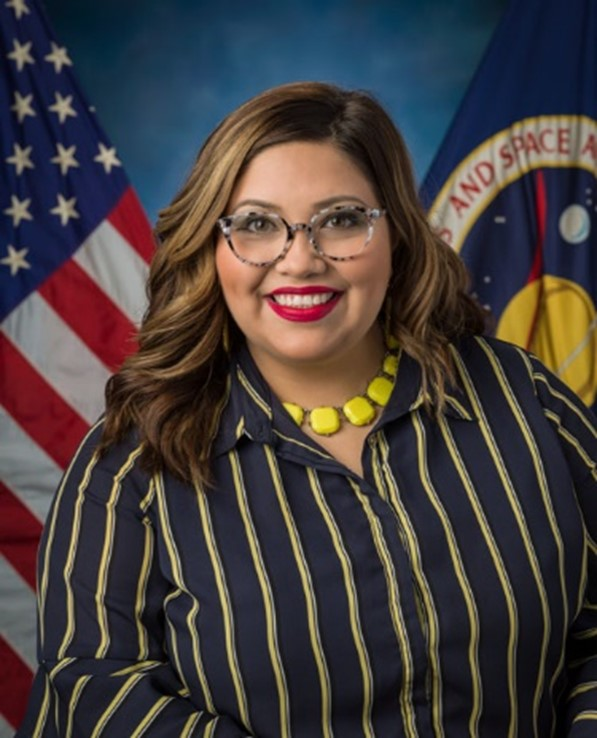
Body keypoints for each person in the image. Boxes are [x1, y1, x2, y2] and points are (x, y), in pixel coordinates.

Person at [17, 81, 596, 738]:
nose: (300, 260)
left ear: (397, 234)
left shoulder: (522, 398)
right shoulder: (127, 468)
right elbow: (93, 695)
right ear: (212, 245)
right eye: (258, 225)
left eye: (342, 219)